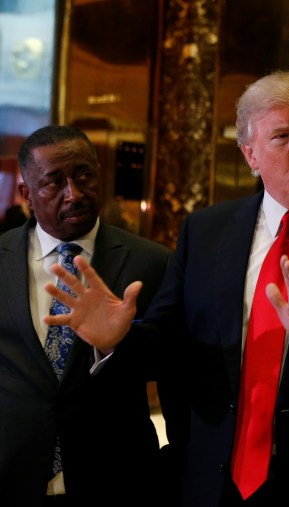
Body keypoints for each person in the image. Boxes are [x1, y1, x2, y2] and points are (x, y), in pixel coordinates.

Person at [45, 71, 289, 507]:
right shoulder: (206, 231)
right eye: (282, 136)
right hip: (216, 483)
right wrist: (121, 339)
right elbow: (171, 343)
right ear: (250, 154)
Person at [0, 125, 173, 506]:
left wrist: (113, 347)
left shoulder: (152, 261)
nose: (74, 194)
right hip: (11, 474)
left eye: (84, 176)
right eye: (53, 183)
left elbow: (176, 367)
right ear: (26, 194)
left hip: (114, 478)